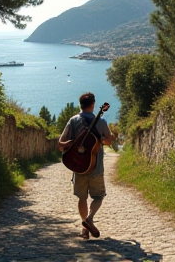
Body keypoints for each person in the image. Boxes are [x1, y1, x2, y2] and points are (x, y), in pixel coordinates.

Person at [58, 92, 114, 239]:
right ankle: (89, 219)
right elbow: (109, 141)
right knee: (99, 196)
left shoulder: (73, 121)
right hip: (96, 167)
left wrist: (71, 144)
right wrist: (101, 140)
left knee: (82, 198)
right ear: (93, 105)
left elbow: (60, 145)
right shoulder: (101, 122)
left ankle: (84, 229)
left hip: (79, 167)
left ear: (80, 104)